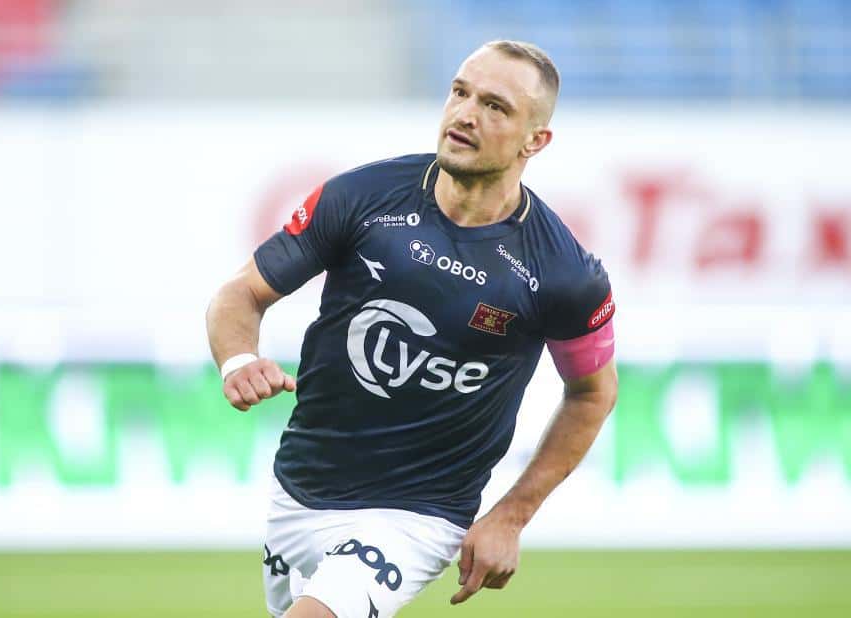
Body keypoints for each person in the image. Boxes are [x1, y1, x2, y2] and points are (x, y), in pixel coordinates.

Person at [206, 40, 618, 618]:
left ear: (535, 140)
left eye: (495, 106)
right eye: (460, 92)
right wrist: (238, 360)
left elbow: (593, 393)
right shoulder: (363, 197)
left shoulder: (563, 274)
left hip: (417, 516)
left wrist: (511, 515)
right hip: (296, 493)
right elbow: (241, 293)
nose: (466, 114)